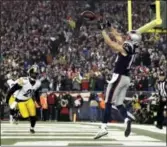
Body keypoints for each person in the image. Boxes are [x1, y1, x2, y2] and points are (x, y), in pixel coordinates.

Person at [94, 23, 142, 139]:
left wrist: (103, 31)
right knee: (119, 103)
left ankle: (104, 127)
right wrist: (110, 27)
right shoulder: (133, 46)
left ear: (131, 39)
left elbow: (111, 43)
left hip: (119, 77)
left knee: (108, 102)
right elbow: (118, 37)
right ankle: (126, 120)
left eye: (128, 36)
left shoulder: (128, 47)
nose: (126, 37)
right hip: (126, 78)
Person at [6, 65, 41, 133]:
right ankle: (16, 116)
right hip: (20, 100)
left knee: (33, 116)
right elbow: (12, 90)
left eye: (36, 74)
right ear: (30, 73)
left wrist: (38, 101)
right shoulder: (24, 80)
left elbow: (36, 92)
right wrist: (7, 99)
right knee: (25, 117)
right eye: (33, 73)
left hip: (29, 99)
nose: (35, 75)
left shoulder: (38, 83)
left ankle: (32, 128)